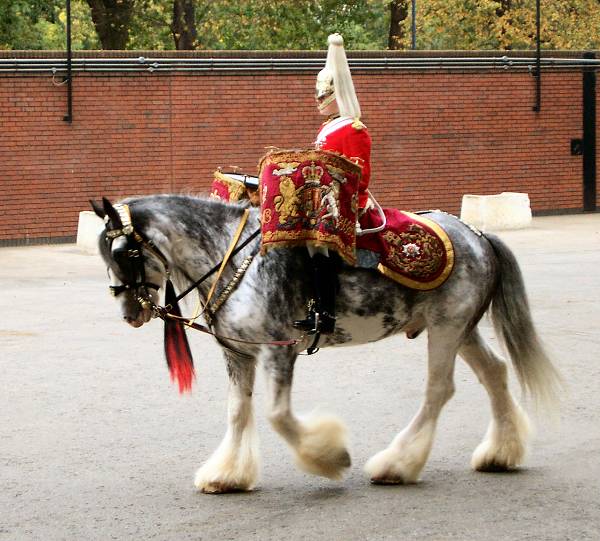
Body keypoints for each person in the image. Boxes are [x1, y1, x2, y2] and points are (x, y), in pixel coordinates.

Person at [293, 33, 372, 335]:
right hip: (321, 200)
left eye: (323, 92)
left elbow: (359, 175)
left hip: (343, 203)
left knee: (317, 246)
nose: (318, 98)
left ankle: (325, 311)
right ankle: (310, 302)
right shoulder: (327, 127)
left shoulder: (354, 128)